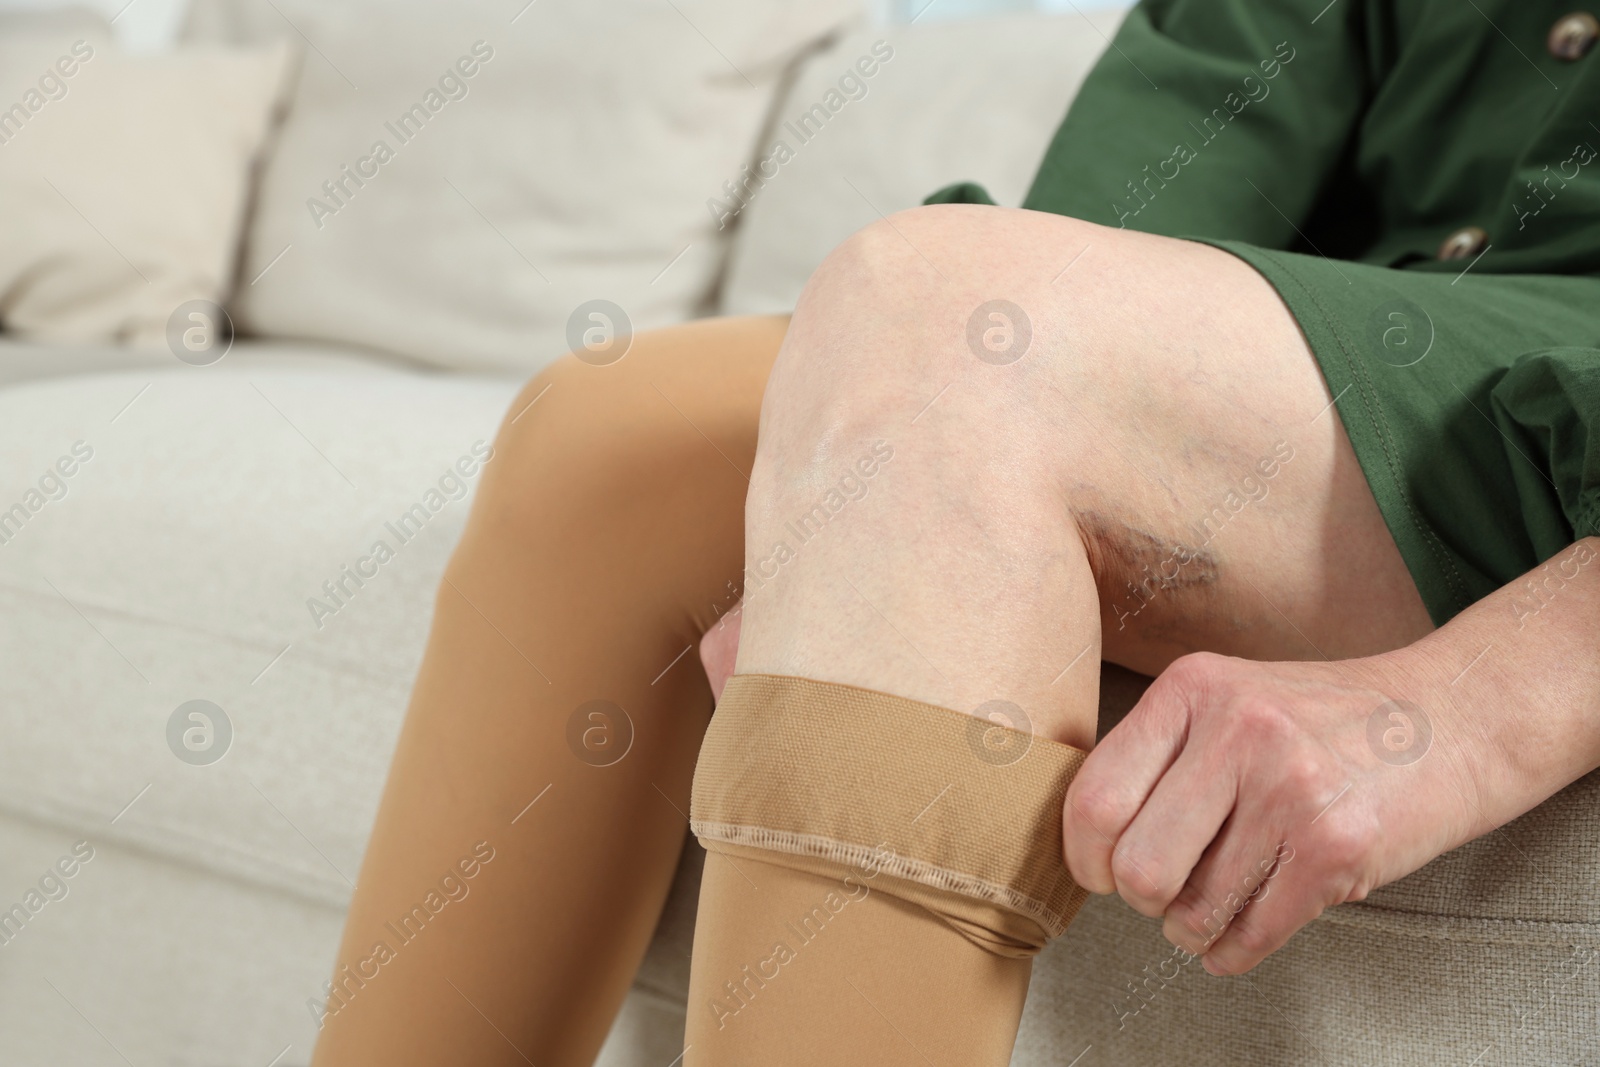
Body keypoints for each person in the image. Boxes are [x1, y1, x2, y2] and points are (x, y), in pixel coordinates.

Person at [309, 1, 1600, 1064]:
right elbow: (1217, 85)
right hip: (1317, 346)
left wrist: (1488, 703)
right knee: (614, 433)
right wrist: (891, 464)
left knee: (948, 321)